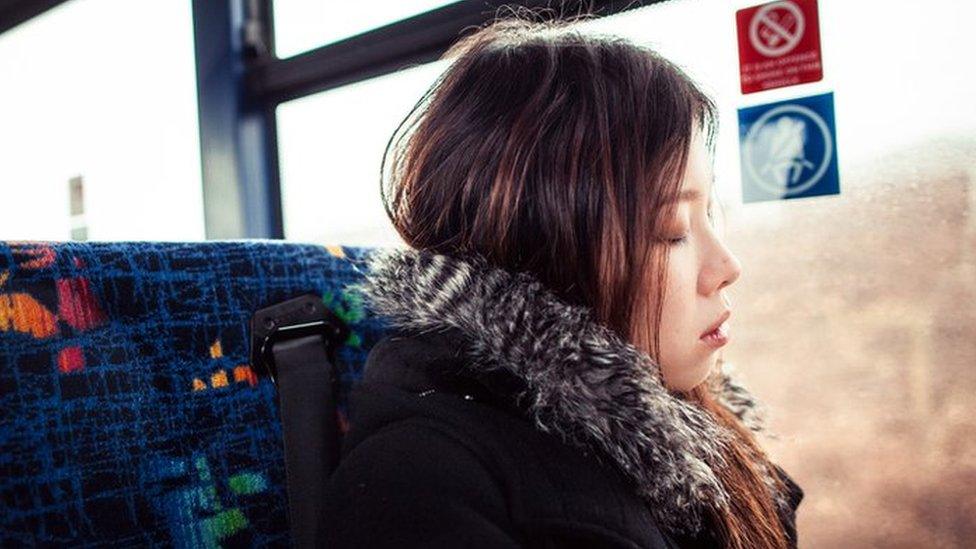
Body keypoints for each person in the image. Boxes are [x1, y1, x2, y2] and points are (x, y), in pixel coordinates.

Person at [324, 14, 804, 549]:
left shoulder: (697, 430)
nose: (727, 266)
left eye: (710, 213)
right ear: (544, 253)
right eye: (670, 230)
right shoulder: (416, 488)